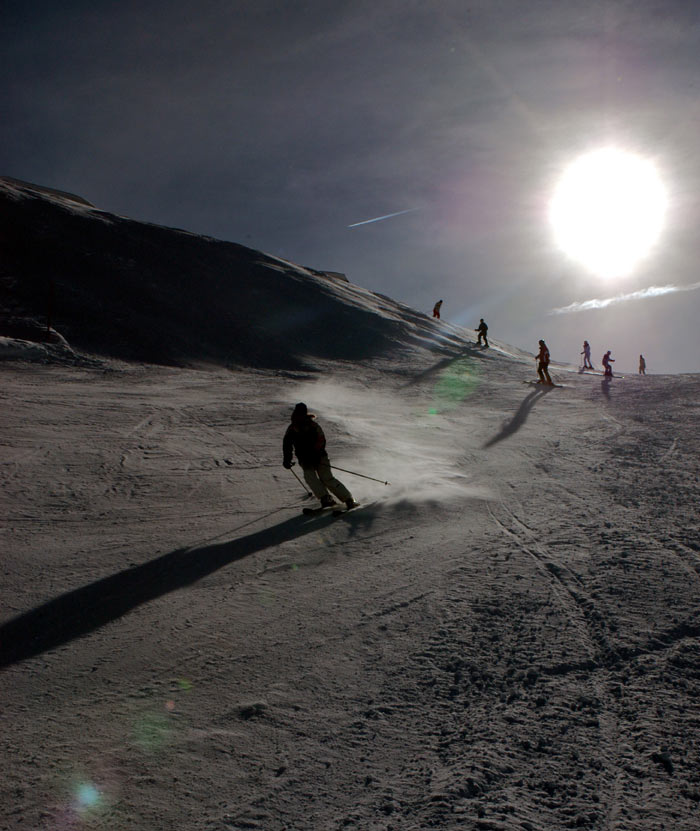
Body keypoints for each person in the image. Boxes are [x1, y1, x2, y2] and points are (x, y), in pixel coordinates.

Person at [283, 403, 356, 509]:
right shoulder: (292, 428)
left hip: (319, 457)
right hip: (305, 459)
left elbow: (321, 440)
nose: (299, 415)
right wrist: (287, 459)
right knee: (310, 477)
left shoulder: (313, 426)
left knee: (326, 478)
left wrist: (315, 453)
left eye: (301, 413)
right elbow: (287, 445)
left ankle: (348, 499)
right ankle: (325, 498)